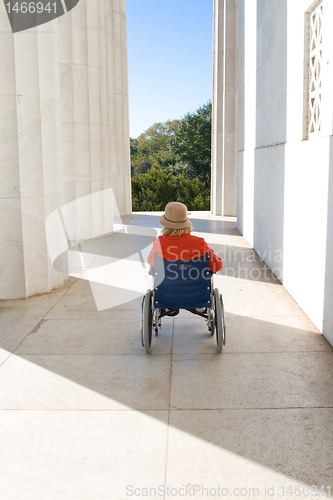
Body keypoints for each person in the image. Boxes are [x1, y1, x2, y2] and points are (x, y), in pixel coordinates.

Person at [147, 202, 223, 317]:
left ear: (165, 225)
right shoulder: (199, 243)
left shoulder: (159, 243)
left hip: (167, 294)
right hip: (196, 294)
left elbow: (151, 262)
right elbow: (217, 266)